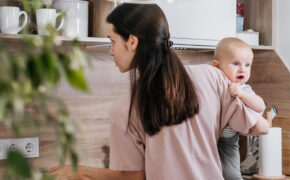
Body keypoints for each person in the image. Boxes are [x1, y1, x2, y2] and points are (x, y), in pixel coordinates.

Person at [49, 3, 269, 180]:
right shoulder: (213, 77)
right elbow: (256, 127)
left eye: (113, 41)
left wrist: (83, 171)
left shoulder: (126, 107)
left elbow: (133, 177)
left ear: (132, 41)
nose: (110, 51)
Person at [212, 37, 266, 180]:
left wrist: (241, 94)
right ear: (217, 67)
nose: (243, 69)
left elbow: (261, 105)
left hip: (229, 140)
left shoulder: (244, 88)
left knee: (231, 174)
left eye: (247, 65)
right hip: (209, 138)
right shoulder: (215, 85)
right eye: (236, 64)